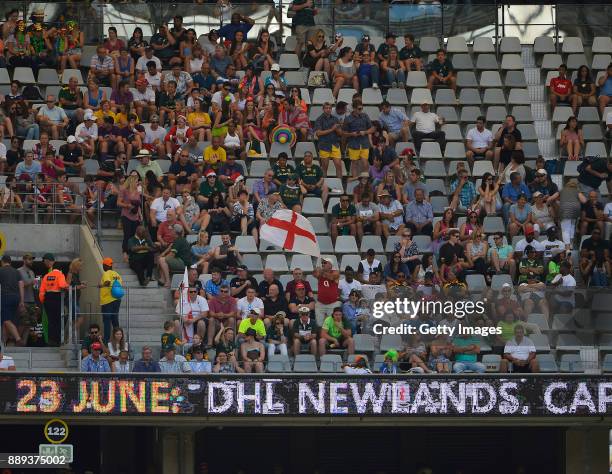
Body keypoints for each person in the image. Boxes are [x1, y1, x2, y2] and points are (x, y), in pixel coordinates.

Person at [38, 253, 68, 347]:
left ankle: (51, 340)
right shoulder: (60, 275)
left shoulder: (47, 276)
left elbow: (41, 291)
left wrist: (43, 301)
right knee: (58, 320)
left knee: (51, 321)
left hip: (48, 299)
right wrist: (69, 287)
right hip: (57, 298)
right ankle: (58, 340)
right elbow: (62, 285)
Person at [343, 98, 374, 177]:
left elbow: (372, 129)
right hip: (353, 143)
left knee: (365, 162)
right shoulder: (348, 119)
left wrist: (365, 132)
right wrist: (351, 134)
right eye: (359, 109)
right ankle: (355, 180)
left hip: (364, 142)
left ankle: (366, 179)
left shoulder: (365, 116)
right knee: (354, 163)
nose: (361, 110)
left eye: (361, 108)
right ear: (354, 108)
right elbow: (344, 133)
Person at [314, 102, 343, 179]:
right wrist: (332, 129)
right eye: (326, 108)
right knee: (324, 167)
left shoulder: (335, 119)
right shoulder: (319, 119)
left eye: (329, 108)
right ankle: (324, 186)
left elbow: (340, 133)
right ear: (323, 109)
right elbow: (318, 133)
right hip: (324, 145)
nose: (328, 110)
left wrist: (337, 129)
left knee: (339, 165)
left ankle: (340, 186)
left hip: (335, 144)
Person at [0, 255, 24, 346]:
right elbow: (21, 285)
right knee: (9, 320)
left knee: (5, 320)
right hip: (16, 298)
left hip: (5, 297)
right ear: (10, 262)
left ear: (2, 262)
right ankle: (4, 343)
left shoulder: (1, 270)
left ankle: (18, 339)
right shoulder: (17, 272)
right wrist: (21, 300)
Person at [313, 258, 340, 324]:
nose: (323, 264)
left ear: (330, 265)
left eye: (325, 263)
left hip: (332, 304)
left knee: (332, 324)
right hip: (320, 303)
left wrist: (321, 271)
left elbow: (331, 277)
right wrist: (316, 270)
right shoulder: (321, 273)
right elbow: (314, 274)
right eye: (322, 263)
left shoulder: (336, 272)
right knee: (319, 324)